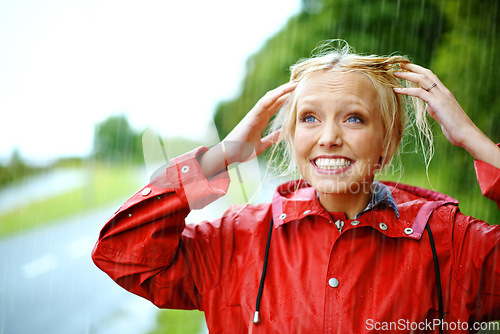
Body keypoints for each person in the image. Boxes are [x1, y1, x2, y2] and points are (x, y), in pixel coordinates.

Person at [92, 42, 500, 333]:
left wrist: (476, 142)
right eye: (309, 118)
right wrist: (221, 156)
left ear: (387, 142)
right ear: (291, 137)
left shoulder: (449, 244)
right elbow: (123, 254)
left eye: (354, 118)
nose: (328, 137)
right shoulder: (238, 240)